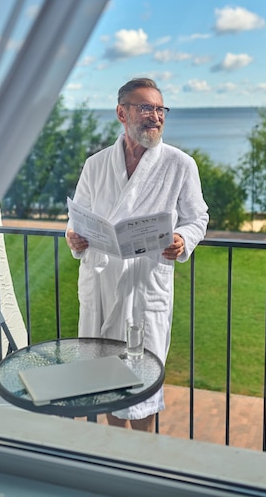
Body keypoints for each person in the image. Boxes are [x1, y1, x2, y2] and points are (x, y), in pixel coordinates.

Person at [66, 78, 209, 432]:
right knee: (107, 384)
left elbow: (197, 218)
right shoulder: (96, 165)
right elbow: (75, 220)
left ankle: (143, 464)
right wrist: (74, 238)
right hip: (101, 287)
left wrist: (181, 239)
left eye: (160, 109)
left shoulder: (179, 165)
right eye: (145, 107)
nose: (155, 117)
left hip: (143, 289)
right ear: (121, 112)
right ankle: (117, 457)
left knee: (142, 386)